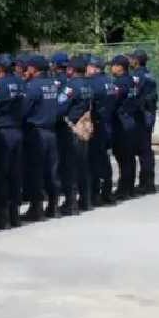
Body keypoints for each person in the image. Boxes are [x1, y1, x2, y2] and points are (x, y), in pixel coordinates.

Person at [0, 54, 25, 230]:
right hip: (17, 131)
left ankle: (2, 217)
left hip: (2, 134)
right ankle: (14, 215)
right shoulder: (20, 83)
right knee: (15, 174)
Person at [21, 55, 61, 221]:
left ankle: (36, 208)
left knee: (35, 171)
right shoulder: (53, 84)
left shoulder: (32, 87)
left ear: (33, 69)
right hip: (52, 131)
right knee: (52, 171)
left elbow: (23, 110)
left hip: (36, 133)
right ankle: (53, 206)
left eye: (28, 67)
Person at [58, 54, 93, 214]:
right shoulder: (88, 85)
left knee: (69, 167)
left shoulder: (71, 87)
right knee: (83, 166)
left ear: (71, 69)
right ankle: (85, 200)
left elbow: (60, 107)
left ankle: (71, 204)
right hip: (84, 130)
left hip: (71, 130)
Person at [85, 56, 117, 206]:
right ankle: (107, 192)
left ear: (95, 68)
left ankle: (95, 194)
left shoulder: (92, 84)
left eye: (89, 66)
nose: (87, 69)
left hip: (96, 125)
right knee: (104, 159)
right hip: (107, 124)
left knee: (93, 161)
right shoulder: (110, 82)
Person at [109, 55, 142, 200]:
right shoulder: (133, 81)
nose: (111, 68)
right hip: (131, 120)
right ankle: (130, 188)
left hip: (120, 123)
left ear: (120, 67)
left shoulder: (120, 83)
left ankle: (123, 189)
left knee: (123, 158)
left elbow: (113, 102)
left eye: (113, 65)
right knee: (129, 157)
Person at [130, 49, 157, 194]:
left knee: (142, 150)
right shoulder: (149, 74)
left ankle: (145, 184)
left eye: (132, 58)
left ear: (137, 60)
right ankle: (148, 182)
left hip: (141, 115)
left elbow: (134, 95)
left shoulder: (138, 76)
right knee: (146, 150)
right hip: (149, 115)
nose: (130, 61)